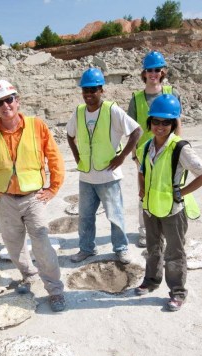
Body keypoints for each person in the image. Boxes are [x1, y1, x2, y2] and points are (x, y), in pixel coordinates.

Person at [0, 79, 66, 312]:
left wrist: (53, 188)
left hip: (34, 198)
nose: (5, 105)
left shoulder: (37, 126)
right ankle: (28, 274)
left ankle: (55, 290)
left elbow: (54, 158)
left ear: (17, 100)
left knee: (42, 244)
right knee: (13, 245)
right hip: (5, 200)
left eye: (9, 99)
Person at [135, 94, 202, 312]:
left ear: (173, 123)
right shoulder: (147, 145)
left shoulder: (180, 148)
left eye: (166, 122)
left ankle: (177, 291)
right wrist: (142, 188)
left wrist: (181, 193)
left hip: (173, 211)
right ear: (150, 123)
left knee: (174, 252)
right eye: (156, 121)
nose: (160, 126)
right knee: (153, 247)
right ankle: (151, 281)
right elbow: (142, 170)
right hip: (150, 208)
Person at [66, 67, 142, 264]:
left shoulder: (111, 110)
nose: (89, 94)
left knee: (115, 216)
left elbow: (136, 131)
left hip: (109, 177)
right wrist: (77, 158)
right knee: (85, 217)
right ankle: (86, 249)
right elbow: (69, 134)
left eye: (93, 90)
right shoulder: (79, 112)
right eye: (85, 90)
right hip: (87, 177)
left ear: (101, 90)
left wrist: (122, 156)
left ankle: (121, 248)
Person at [128, 51, 182, 248]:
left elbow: (178, 122)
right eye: (149, 70)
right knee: (144, 191)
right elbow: (132, 129)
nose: (153, 74)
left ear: (162, 72)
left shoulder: (171, 93)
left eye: (156, 70)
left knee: (167, 189)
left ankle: (167, 228)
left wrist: (178, 148)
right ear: (144, 73)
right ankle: (144, 230)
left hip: (167, 151)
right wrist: (135, 155)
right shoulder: (136, 99)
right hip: (145, 154)